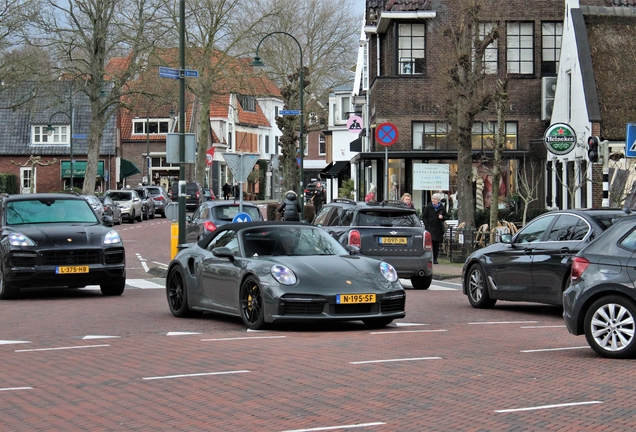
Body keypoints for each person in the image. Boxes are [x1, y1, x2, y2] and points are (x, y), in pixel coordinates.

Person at [422, 192, 448, 265]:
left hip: (438, 229)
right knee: (430, 243)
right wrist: (426, 225)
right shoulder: (428, 207)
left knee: (436, 244)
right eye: (433, 199)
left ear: (438, 200)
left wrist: (442, 217)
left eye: (435, 199)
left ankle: (435, 259)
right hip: (430, 228)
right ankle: (429, 258)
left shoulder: (442, 208)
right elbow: (424, 216)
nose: (433, 200)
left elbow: (447, 216)